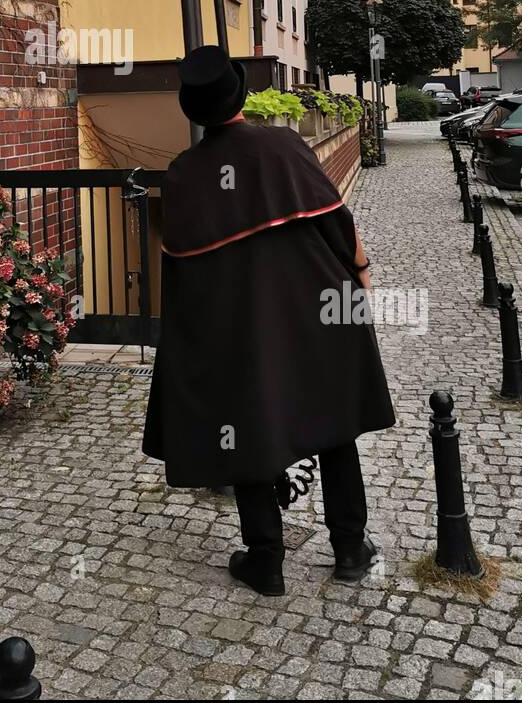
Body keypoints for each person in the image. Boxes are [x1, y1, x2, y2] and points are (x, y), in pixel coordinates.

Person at [142, 46, 395, 597]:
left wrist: (188, 349)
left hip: (236, 331)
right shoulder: (282, 144)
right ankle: (350, 547)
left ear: (194, 110)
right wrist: (362, 272)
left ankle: (267, 560)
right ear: (240, 96)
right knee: (334, 423)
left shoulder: (184, 176)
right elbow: (336, 220)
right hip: (315, 309)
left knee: (245, 430)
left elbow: (180, 275)